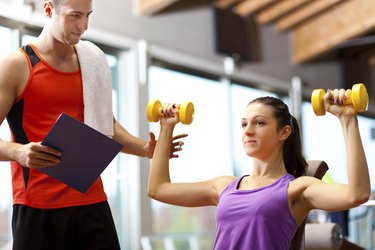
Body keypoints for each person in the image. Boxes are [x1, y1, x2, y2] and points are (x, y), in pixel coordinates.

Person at [0, 0, 186, 249]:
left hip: (92, 203)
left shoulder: (92, 61)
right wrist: (19, 152)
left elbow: (105, 125)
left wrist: (145, 149)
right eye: (75, 16)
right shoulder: (17, 66)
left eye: (88, 16)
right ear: (48, 10)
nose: (84, 26)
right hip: (37, 208)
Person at [148, 90, 371, 249]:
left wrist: (348, 120)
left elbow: (357, 194)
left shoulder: (297, 189)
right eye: (244, 124)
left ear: (283, 133)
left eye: (259, 123)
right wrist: (166, 128)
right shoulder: (225, 186)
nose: (248, 130)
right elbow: (159, 189)